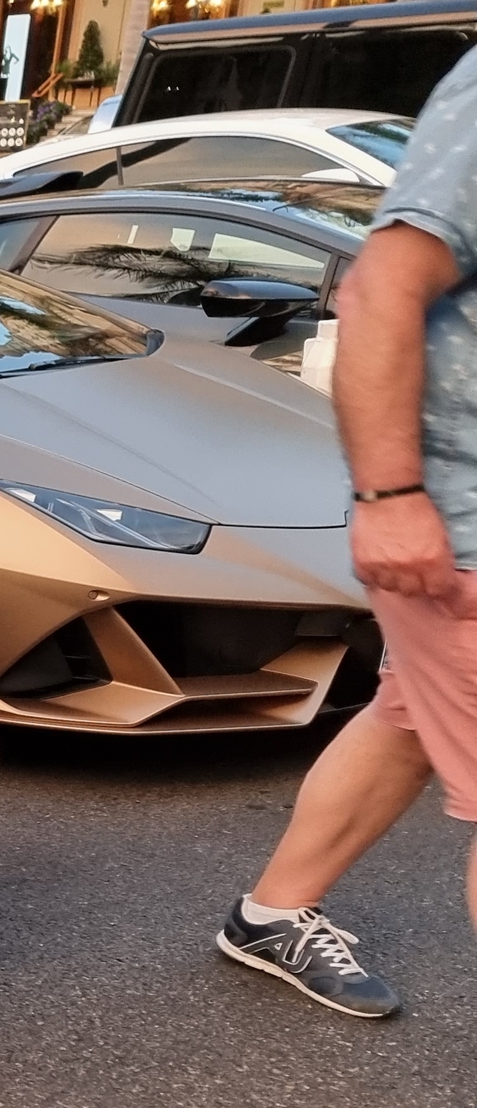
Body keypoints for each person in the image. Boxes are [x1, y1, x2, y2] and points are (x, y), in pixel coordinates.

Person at [211, 51, 477, 1019]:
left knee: (408, 719)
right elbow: (376, 290)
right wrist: (389, 494)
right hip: (459, 523)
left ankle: (269, 913)